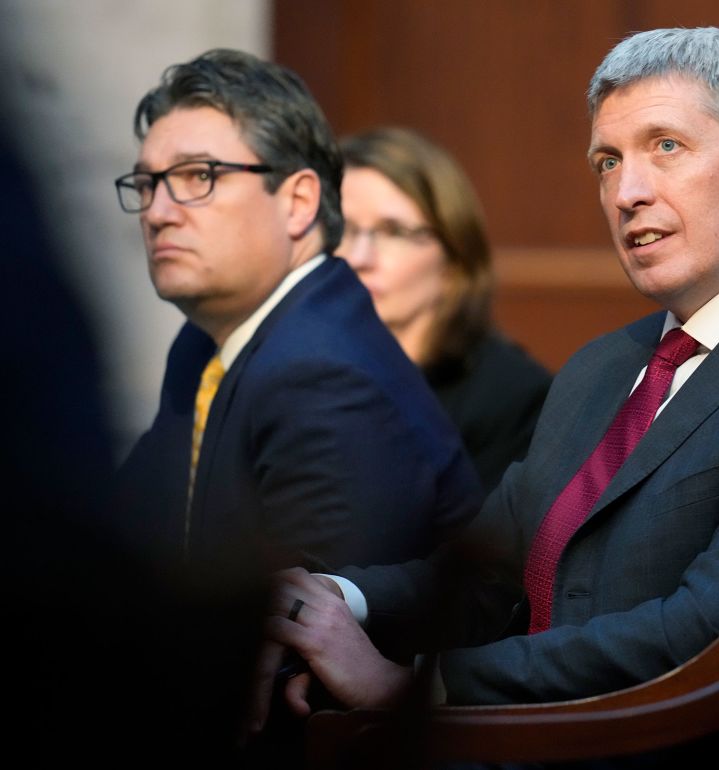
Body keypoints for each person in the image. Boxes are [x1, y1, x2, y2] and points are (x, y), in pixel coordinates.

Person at [251, 26, 719, 766]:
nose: (626, 192)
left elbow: (714, 629)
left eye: (665, 147)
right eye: (607, 162)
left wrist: (416, 684)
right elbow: (487, 575)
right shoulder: (602, 366)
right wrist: (326, 604)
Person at [110, 49, 482, 583]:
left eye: (198, 176)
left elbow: (302, 640)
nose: (158, 213)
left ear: (299, 201)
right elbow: (130, 546)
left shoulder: (323, 376)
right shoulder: (203, 343)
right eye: (147, 184)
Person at [337, 127, 551, 492]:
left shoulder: (513, 397)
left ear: (453, 260)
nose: (358, 257)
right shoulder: (294, 369)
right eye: (341, 228)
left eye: (392, 231)